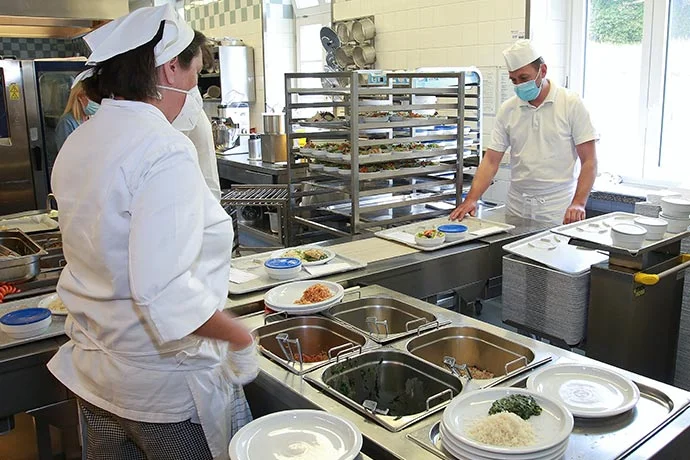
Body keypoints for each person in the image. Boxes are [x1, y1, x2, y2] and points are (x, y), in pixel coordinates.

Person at [47, 5, 257, 460]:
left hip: (97, 375)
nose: (193, 90)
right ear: (169, 68)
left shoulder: (81, 139)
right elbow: (163, 292)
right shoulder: (162, 149)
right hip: (161, 393)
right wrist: (239, 336)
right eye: (194, 75)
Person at [451, 39, 598, 225]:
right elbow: (491, 160)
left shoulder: (570, 104)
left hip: (558, 207)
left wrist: (578, 203)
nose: (519, 85)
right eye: (514, 80)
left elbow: (589, 161)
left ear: (542, 71)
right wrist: (471, 198)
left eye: (524, 78)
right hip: (517, 204)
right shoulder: (509, 109)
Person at [182, 37, 221, 200]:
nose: (196, 82)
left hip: (199, 199)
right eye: (197, 72)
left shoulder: (188, 109)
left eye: (198, 73)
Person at [55, 81, 99, 151]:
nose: (97, 103)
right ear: (80, 97)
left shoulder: (90, 119)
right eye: (93, 99)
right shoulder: (67, 122)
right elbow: (65, 152)